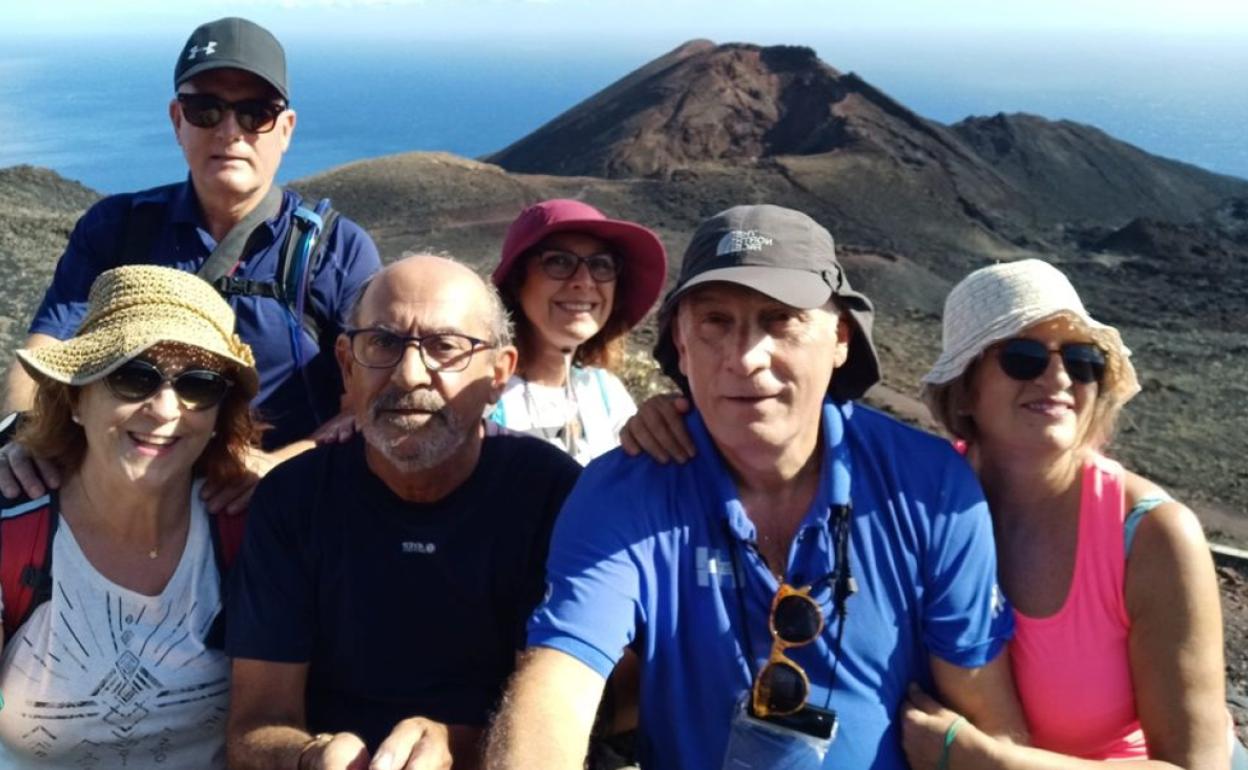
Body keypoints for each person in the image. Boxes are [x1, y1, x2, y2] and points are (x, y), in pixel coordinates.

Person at [485, 204, 1028, 770]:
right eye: (716, 322)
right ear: (682, 343)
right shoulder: (626, 491)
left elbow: (989, 714)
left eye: (781, 319)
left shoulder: (929, 489)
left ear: (840, 336)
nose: (746, 358)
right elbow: (556, 685)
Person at [0, 16, 381, 514]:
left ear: (284, 130)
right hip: (132, 505)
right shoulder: (119, 229)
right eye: (206, 109)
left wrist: (278, 466)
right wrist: (21, 433)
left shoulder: (334, 251)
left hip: (282, 515)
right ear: (177, 120)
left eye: (256, 113)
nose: (230, 131)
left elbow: (373, 401)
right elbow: (46, 349)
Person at [225, 255, 582, 770]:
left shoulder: (553, 496)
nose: (409, 373)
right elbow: (254, 725)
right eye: (383, 343)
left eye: (445, 347)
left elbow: (596, 704)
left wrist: (452, 747)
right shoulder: (294, 501)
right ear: (346, 364)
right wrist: (310, 755)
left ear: (500, 373)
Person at [901, 259, 1244, 769]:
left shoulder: (1151, 536)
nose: (1059, 377)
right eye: (1023, 356)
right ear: (966, 387)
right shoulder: (917, 500)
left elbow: (1197, 766)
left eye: (1084, 360)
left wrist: (989, 762)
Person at [0, 265, 259, 768]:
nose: (165, 409)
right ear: (76, 397)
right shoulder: (16, 532)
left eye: (199, 385)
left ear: (216, 416)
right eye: (133, 377)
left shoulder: (248, 530)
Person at [488, 199, 667, 465]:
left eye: (601, 265)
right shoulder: (483, 398)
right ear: (517, 282)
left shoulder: (606, 392)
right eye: (559, 261)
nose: (584, 281)